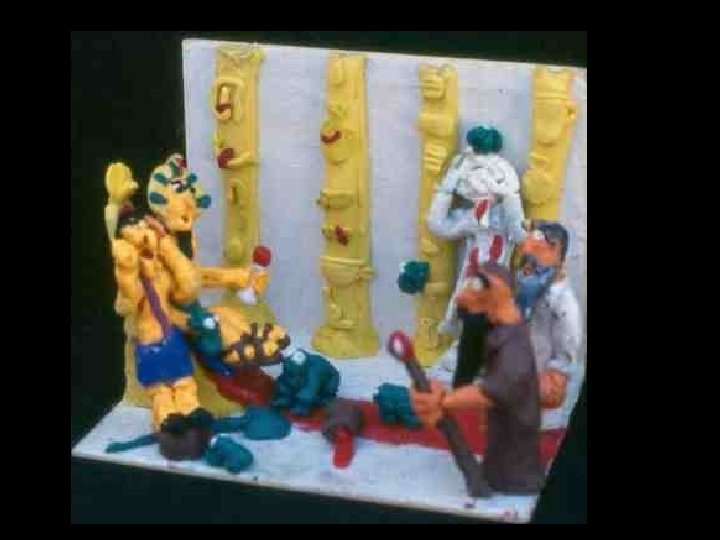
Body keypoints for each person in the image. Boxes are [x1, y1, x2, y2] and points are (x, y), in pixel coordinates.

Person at [410, 262, 544, 494]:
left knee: (511, 461)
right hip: (502, 425)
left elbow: (493, 391)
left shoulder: (514, 348)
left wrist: (443, 401)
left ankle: (510, 481)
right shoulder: (498, 331)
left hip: (516, 434)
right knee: (499, 453)